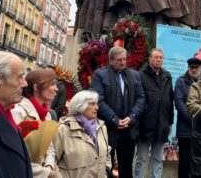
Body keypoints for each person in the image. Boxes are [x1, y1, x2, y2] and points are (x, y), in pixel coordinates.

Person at [90, 47, 145, 178]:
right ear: (111, 60)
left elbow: (141, 98)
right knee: (105, 167)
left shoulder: (135, 75)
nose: (123, 62)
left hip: (128, 129)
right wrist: (114, 119)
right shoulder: (99, 75)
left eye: (124, 59)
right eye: (119, 60)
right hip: (107, 128)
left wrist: (132, 117)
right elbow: (97, 100)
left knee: (126, 167)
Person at [134, 48, 174, 178]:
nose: (158, 60)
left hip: (162, 123)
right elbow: (137, 99)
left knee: (157, 158)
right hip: (145, 123)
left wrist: (170, 122)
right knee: (141, 158)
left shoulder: (167, 76)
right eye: (156, 57)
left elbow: (170, 99)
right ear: (150, 59)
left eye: (161, 58)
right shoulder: (141, 75)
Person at [12, 68, 59, 178]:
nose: (56, 89)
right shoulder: (18, 112)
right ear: (36, 87)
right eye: (52, 84)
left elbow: (50, 147)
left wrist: (49, 166)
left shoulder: (47, 114)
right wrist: (44, 173)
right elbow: (17, 154)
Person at [53, 90, 111, 177]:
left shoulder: (102, 127)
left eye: (96, 104)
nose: (97, 107)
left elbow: (107, 153)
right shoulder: (63, 129)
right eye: (92, 104)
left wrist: (106, 170)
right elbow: (52, 159)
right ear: (80, 107)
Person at [174, 57, 201, 178]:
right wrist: (192, 120)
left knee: (199, 161)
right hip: (185, 129)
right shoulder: (181, 81)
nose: (194, 70)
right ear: (188, 68)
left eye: (196, 68)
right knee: (184, 161)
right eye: (192, 68)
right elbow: (179, 103)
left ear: (200, 68)